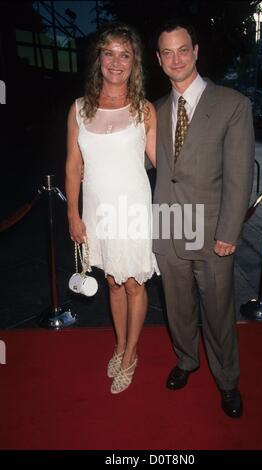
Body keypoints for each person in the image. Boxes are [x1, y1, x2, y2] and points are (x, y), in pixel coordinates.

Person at [153, 20, 254, 418]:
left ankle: (227, 380)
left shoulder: (232, 104)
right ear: (158, 60)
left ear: (196, 51)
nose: (175, 58)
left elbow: (239, 173)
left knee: (218, 311)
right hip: (168, 227)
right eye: (167, 52)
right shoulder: (155, 111)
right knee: (177, 309)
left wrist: (229, 230)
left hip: (213, 231)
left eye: (182, 49)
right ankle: (186, 361)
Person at [65, 22, 159, 394]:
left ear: (134, 62)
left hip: (133, 210)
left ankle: (130, 354)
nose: (116, 62)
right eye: (109, 53)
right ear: (99, 58)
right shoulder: (79, 109)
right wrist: (73, 213)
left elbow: (162, 164)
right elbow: (73, 165)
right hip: (97, 211)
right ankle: (119, 344)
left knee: (133, 282)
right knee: (111, 282)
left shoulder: (144, 110)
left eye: (125, 54)